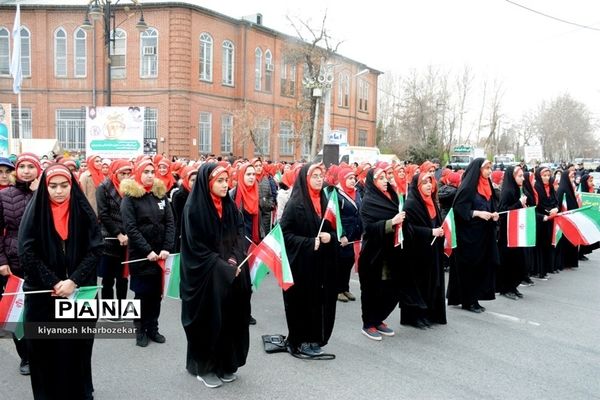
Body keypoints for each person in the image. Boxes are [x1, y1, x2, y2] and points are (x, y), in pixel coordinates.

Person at [19, 164, 103, 399]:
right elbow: (27, 252)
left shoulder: (82, 211)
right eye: (53, 186)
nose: (59, 191)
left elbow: (96, 248)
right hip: (43, 295)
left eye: (64, 185)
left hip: (79, 293)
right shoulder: (35, 212)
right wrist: (55, 282)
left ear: (71, 186)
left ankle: (80, 391)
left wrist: (73, 281)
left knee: (77, 347)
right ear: (45, 187)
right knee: (45, 349)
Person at [180, 163, 251, 388]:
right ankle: (204, 367)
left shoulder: (230, 206)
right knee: (207, 321)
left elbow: (241, 233)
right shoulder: (194, 208)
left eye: (226, 180)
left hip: (229, 272)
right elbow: (197, 249)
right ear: (208, 182)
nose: (224, 185)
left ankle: (224, 363)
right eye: (219, 181)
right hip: (205, 278)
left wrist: (233, 259)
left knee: (229, 320)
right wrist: (224, 267)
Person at [279, 163, 338, 355]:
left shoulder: (324, 201)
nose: (319, 179)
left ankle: (315, 338)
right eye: (315, 176)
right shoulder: (295, 204)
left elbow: (331, 228)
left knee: (318, 301)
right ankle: (301, 339)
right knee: (302, 302)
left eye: (321, 175)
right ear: (305, 179)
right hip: (301, 265)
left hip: (320, 265)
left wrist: (330, 237)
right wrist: (307, 242)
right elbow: (285, 234)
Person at [120, 158, 175, 347]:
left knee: (156, 295)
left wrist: (167, 247)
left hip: (160, 256)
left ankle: (153, 328)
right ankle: (140, 329)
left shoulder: (160, 195)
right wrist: (148, 251)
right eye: (146, 172)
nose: (150, 175)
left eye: (152, 172)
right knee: (142, 295)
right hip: (142, 257)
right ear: (138, 173)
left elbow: (170, 222)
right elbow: (131, 228)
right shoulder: (130, 198)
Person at [358, 167, 411, 339]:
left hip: (393, 252)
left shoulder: (394, 196)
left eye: (386, 177)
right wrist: (391, 222)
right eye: (380, 178)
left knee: (391, 289)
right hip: (374, 253)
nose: (385, 180)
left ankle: (379, 318)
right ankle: (368, 323)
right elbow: (369, 228)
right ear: (373, 181)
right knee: (372, 289)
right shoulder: (368, 201)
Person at [0, 153, 41, 375]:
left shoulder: (46, 193)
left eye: (31, 166)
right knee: (17, 314)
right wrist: (1, 260)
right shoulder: (5, 195)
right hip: (14, 262)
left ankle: (41, 354)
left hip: (42, 262)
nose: (26, 170)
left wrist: (38, 194)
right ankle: (25, 357)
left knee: (41, 311)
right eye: (22, 166)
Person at [447, 158, 499, 313]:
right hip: (469, 236)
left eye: (490, 168)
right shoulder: (468, 187)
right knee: (469, 268)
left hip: (483, 234)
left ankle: (475, 298)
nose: (489, 171)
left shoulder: (487, 185)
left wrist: (493, 214)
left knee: (481, 267)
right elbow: (459, 209)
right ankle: (467, 301)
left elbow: (490, 205)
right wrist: (477, 213)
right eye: (486, 168)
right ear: (478, 169)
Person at [403, 172, 447, 325]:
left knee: (431, 281)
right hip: (417, 252)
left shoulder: (432, 202)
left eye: (430, 182)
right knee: (418, 283)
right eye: (425, 183)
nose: (429, 185)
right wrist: (430, 232)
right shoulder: (411, 204)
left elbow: (436, 221)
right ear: (417, 186)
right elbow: (409, 229)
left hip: (432, 250)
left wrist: (440, 231)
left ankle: (429, 314)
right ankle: (415, 316)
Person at [96, 159, 132, 303]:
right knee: (108, 278)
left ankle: (122, 305)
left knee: (123, 277)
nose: (125, 177)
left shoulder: (131, 188)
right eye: (122, 173)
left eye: (128, 173)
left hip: (128, 238)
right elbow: (103, 214)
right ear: (115, 173)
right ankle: (109, 309)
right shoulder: (103, 188)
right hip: (110, 239)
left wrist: (130, 233)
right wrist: (118, 234)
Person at [230, 162, 261, 325]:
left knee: (247, 282)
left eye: (253, 174)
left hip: (250, 243)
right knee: (141, 294)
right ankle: (137, 328)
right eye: (247, 174)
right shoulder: (233, 194)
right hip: (235, 243)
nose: (251, 177)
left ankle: (245, 312)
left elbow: (259, 220)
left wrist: (260, 239)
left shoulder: (256, 193)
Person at [497, 166, 528, 300]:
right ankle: (505, 288)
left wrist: (522, 206)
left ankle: (513, 286)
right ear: (513, 177)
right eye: (520, 176)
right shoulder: (507, 191)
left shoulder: (516, 190)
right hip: (507, 233)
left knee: (517, 261)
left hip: (516, 231)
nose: (523, 178)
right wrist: (519, 203)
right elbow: (502, 212)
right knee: (508, 261)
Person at [335, 167, 362, 303]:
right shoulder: (337, 194)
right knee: (341, 262)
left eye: (353, 178)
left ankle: (345, 288)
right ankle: (338, 290)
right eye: (349, 178)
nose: (353, 181)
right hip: (345, 235)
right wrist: (342, 234)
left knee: (349, 261)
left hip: (355, 234)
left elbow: (360, 212)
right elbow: (336, 217)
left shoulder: (357, 193)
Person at [533, 167, 559, 278]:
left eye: (548, 175)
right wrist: (547, 211)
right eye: (544, 175)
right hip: (540, 220)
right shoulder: (536, 187)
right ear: (539, 176)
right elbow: (536, 205)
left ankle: (548, 268)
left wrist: (556, 209)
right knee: (540, 245)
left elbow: (556, 201)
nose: (547, 178)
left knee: (548, 244)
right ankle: (540, 271)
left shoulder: (551, 187)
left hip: (550, 219)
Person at [556, 166, 579, 270]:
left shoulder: (570, 188)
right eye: (570, 177)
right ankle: (565, 262)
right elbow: (559, 205)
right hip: (565, 220)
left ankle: (571, 262)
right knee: (565, 241)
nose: (572, 180)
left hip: (572, 219)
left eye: (573, 177)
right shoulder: (562, 189)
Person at [171, 166, 198, 251]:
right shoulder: (179, 196)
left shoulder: (200, 194)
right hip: (183, 233)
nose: (195, 183)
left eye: (197, 180)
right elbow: (179, 218)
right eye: (193, 180)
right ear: (186, 180)